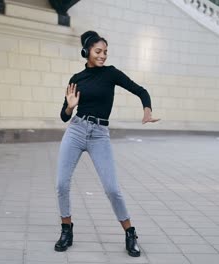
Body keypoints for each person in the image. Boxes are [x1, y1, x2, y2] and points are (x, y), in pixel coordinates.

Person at [54, 30, 159, 257]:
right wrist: (70, 107)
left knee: (112, 188)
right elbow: (64, 116)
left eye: (105, 52)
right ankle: (66, 229)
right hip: (76, 129)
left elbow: (141, 91)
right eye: (98, 51)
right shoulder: (76, 79)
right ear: (87, 52)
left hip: (100, 134)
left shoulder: (111, 74)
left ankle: (130, 233)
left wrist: (147, 110)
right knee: (62, 184)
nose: (103, 56)